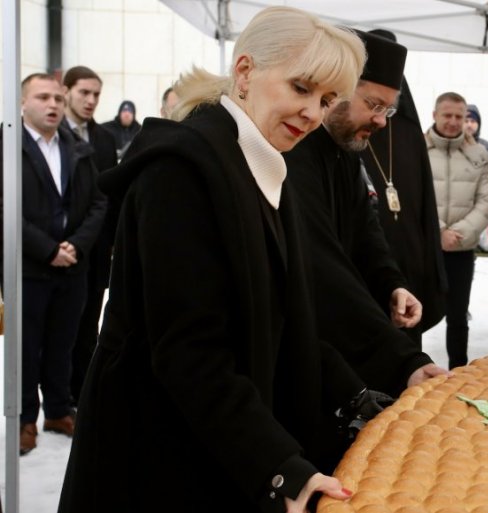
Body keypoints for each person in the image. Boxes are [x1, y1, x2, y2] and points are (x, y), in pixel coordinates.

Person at [58, 8, 370, 512]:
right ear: (244, 72)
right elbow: (189, 353)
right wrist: (279, 469)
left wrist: (359, 396)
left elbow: (286, 323)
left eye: (327, 100)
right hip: (155, 455)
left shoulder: (265, 165)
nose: (313, 112)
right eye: (301, 88)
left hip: (213, 435)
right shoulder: (181, 172)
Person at [283, 29, 447, 394]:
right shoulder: (297, 153)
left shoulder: (345, 153)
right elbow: (323, 266)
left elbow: (367, 235)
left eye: (388, 109)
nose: (382, 121)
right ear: (339, 90)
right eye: (374, 105)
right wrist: (403, 360)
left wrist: (393, 285)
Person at [0, 73, 107, 455]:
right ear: (22, 103)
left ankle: (59, 410)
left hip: (72, 267)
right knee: (26, 348)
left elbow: (98, 202)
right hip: (28, 268)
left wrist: (76, 245)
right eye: (43, 97)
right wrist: (47, 249)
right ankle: (25, 419)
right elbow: (4, 207)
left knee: (64, 343)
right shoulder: (7, 146)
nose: (53, 105)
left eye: (58, 99)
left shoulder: (77, 148)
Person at [359, 28, 447, 347]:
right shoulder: (353, 130)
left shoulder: (409, 132)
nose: (379, 118)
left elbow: (424, 202)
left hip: (410, 256)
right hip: (368, 256)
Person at [60, 65, 120, 407]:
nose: (91, 100)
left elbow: (109, 195)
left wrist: (112, 242)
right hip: (58, 247)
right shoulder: (51, 134)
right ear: (66, 90)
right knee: (58, 329)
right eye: (84, 92)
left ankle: (81, 394)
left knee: (88, 326)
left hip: (95, 249)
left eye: (96, 94)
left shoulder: (105, 138)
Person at [426, 92, 488, 368]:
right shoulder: (417, 150)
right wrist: (439, 233)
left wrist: (458, 234)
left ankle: (458, 372)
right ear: (435, 115)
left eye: (459, 116)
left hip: (461, 250)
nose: (454, 122)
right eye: (447, 115)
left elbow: (486, 202)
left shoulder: (479, 155)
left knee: (458, 317)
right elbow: (411, 198)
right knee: (413, 314)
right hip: (425, 249)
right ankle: (408, 372)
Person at [465, 103, 488, 183]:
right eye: (466, 121)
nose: (469, 125)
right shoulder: (454, 146)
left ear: (478, 124)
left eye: (473, 121)